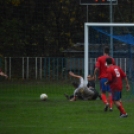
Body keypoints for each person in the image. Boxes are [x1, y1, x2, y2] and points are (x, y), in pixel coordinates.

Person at [93, 46, 115, 111]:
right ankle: (111, 107)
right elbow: (114, 68)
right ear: (108, 52)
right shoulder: (112, 59)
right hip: (110, 78)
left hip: (103, 78)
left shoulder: (99, 59)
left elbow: (97, 68)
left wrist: (94, 75)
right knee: (110, 93)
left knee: (103, 92)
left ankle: (106, 103)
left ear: (103, 51)